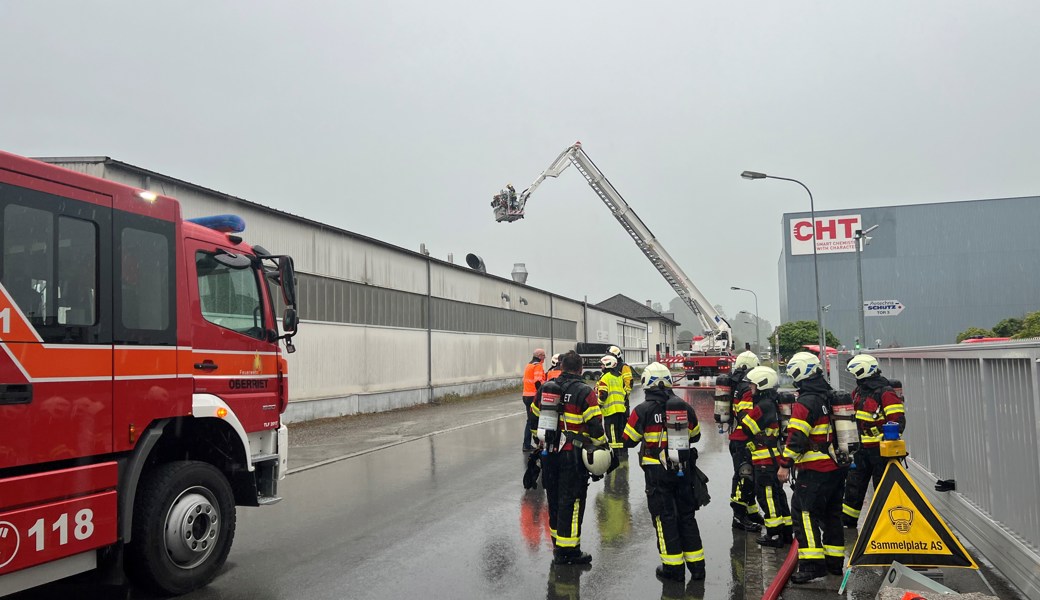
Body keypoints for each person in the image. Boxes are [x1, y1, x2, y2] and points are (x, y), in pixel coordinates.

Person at [623, 362, 705, 582]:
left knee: (664, 518)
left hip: (657, 474)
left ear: (646, 384)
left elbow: (628, 440)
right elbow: (695, 436)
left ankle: (673, 569)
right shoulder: (684, 407)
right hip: (683, 470)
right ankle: (698, 568)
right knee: (687, 516)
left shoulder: (642, 410)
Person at [532, 350, 607, 565]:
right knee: (572, 502)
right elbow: (594, 424)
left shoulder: (547, 389)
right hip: (572, 456)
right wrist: (602, 447)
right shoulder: (584, 391)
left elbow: (534, 416)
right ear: (580, 369)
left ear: (561, 367)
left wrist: (539, 446)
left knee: (554, 499)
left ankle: (558, 544)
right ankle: (569, 552)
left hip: (549, 453)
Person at [778, 352, 846, 583]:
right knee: (832, 515)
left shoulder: (806, 401)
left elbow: (796, 437)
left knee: (804, 513)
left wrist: (785, 465)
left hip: (815, 470)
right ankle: (834, 563)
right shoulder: (829, 396)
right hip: (837, 467)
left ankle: (812, 565)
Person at [841, 354, 906, 528]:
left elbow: (897, 420)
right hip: (861, 449)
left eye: (856, 373)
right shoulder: (859, 391)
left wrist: (888, 439)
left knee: (883, 488)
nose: (854, 377)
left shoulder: (886, 393)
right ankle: (847, 521)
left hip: (880, 451)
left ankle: (885, 525)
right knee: (853, 486)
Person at [738, 366, 793, 547]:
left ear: (762, 385)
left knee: (767, 497)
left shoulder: (763, 406)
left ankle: (774, 535)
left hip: (765, 461)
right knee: (778, 495)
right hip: (774, 458)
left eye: (753, 385)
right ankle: (785, 532)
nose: (751, 389)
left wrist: (744, 413)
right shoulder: (773, 402)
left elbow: (747, 426)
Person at [728, 350, 763, 531]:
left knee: (747, 476)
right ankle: (739, 517)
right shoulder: (747, 389)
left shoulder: (737, 385)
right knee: (744, 476)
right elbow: (747, 416)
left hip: (737, 438)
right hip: (744, 440)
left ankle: (751, 511)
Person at [597, 355, 627, 451]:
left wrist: (598, 405)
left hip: (610, 412)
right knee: (620, 433)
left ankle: (615, 455)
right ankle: (621, 453)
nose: (601, 367)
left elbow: (603, 395)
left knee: (612, 435)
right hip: (621, 410)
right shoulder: (619, 376)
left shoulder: (605, 378)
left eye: (602, 365)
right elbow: (625, 392)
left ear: (607, 364)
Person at [522, 349, 546, 452]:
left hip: (526, 395)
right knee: (535, 421)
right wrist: (542, 395)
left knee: (530, 420)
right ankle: (533, 443)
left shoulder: (529, 365)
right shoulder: (537, 366)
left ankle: (527, 444)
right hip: (533, 396)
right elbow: (537, 382)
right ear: (540, 356)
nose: (544, 358)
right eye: (544, 356)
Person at [607, 345, 633, 410]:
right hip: (610, 403)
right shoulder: (609, 366)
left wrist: (625, 396)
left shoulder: (624, 367)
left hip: (622, 402)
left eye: (610, 355)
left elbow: (629, 383)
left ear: (616, 356)